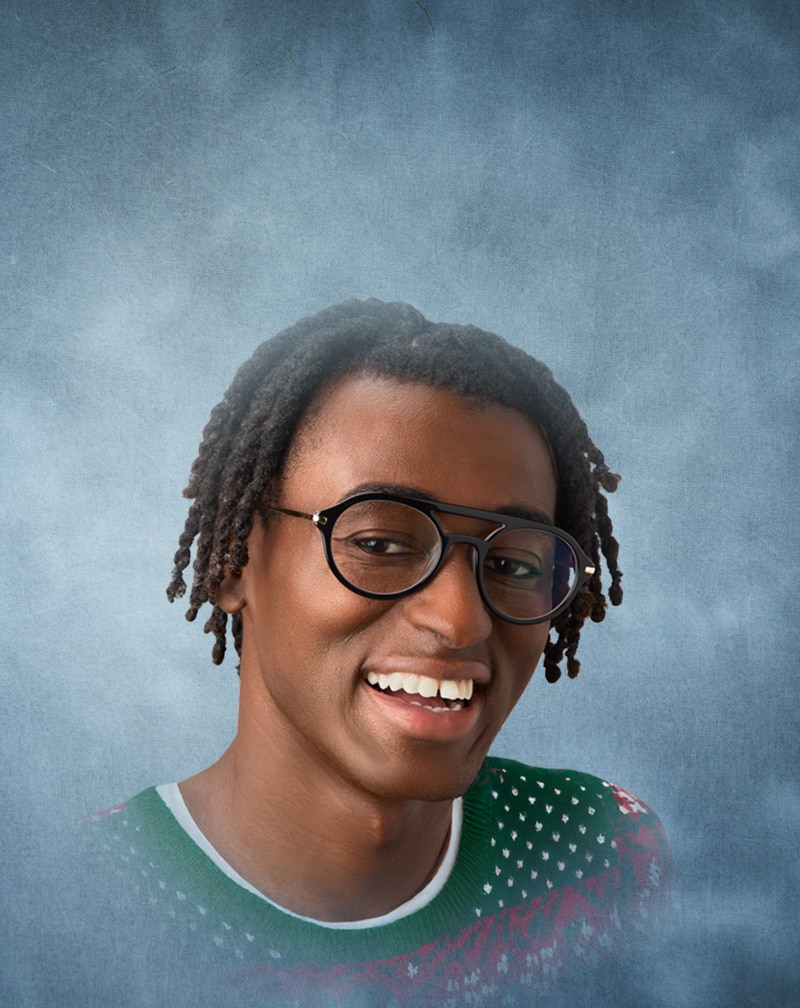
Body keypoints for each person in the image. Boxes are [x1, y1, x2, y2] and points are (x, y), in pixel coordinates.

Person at [87, 299, 670, 1006]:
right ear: (236, 559)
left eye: (514, 564)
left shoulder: (602, 856)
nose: (459, 620)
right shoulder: (80, 902)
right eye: (381, 544)